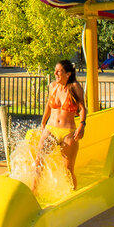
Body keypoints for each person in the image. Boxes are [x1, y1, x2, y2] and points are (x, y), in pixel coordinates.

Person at [33, 60, 88, 190]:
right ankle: (33, 192)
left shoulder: (75, 87)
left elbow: (82, 108)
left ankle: (73, 194)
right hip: (51, 129)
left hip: (68, 133)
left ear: (68, 74)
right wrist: (43, 122)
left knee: (67, 170)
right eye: (55, 70)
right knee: (38, 162)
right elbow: (48, 105)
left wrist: (82, 124)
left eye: (59, 71)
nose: (55, 73)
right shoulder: (53, 86)